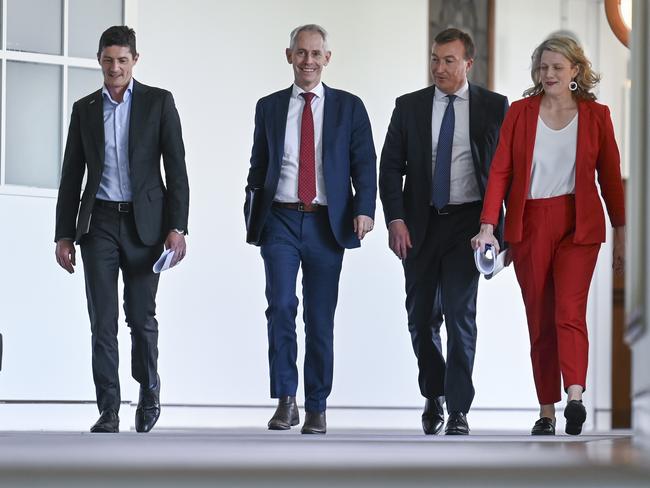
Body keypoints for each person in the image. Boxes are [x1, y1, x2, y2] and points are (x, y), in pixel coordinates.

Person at [472, 35, 625, 436]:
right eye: (543, 67)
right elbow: (501, 171)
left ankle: (574, 397)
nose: (549, 74)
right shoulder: (521, 113)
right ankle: (546, 410)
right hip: (531, 223)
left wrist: (622, 234)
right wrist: (488, 226)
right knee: (540, 319)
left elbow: (610, 180)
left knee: (568, 312)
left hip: (580, 224)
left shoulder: (596, 115)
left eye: (557, 67)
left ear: (576, 70)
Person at [54, 26, 190, 433]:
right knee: (103, 320)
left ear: (135, 60)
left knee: (141, 317)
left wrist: (178, 227)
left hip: (146, 225)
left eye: (123, 60)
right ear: (99, 60)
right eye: (109, 60)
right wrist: (64, 234)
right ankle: (109, 408)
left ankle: (149, 389)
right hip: (99, 225)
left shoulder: (158, 103)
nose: (115, 67)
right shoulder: (85, 109)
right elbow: (70, 176)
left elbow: (177, 170)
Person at [245, 24, 376, 434]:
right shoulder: (268, 107)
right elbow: (258, 165)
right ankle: (287, 400)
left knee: (320, 317)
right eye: (301, 53)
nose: (308, 61)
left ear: (327, 59)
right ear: (289, 56)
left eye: (316, 53)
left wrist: (365, 209)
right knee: (281, 305)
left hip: (326, 222)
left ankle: (316, 404)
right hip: (280, 218)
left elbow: (365, 164)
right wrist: (252, 208)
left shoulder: (349, 107)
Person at [379, 28, 508, 435]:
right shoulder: (409, 107)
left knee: (459, 315)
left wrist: (498, 229)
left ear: (468, 63)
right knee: (420, 318)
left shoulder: (493, 107)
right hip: (420, 223)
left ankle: (458, 409)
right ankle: (433, 392)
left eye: (448, 61)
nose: (439, 68)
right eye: (435, 59)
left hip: (470, 225)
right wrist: (395, 219)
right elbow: (389, 168)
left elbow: (506, 171)